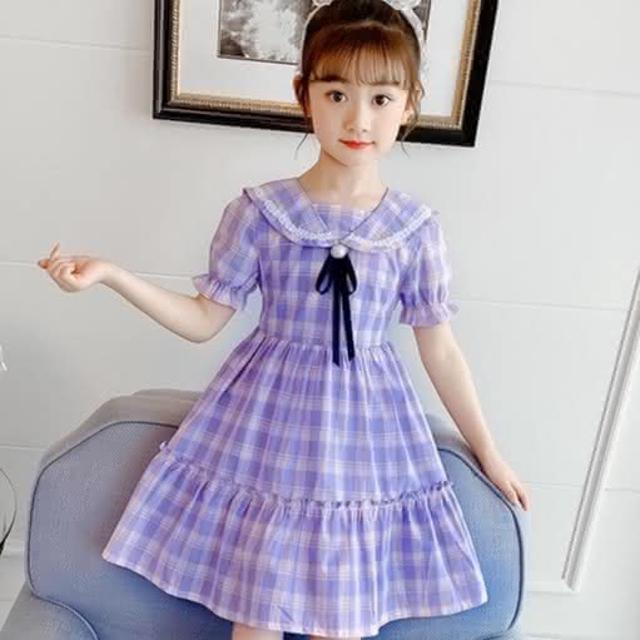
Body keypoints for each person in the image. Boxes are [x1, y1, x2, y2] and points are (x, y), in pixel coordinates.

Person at [37, 1, 530, 638]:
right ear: (305, 96)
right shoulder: (260, 213)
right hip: (263, 434)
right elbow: (203, 319)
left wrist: (490, 454)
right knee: (258, 614)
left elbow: (441, 350)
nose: (358, 118)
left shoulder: (415, 230)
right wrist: (112, 274)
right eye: (337, 94)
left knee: (343, 620)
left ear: (410, 104)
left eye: (381, 98)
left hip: (365, 443)